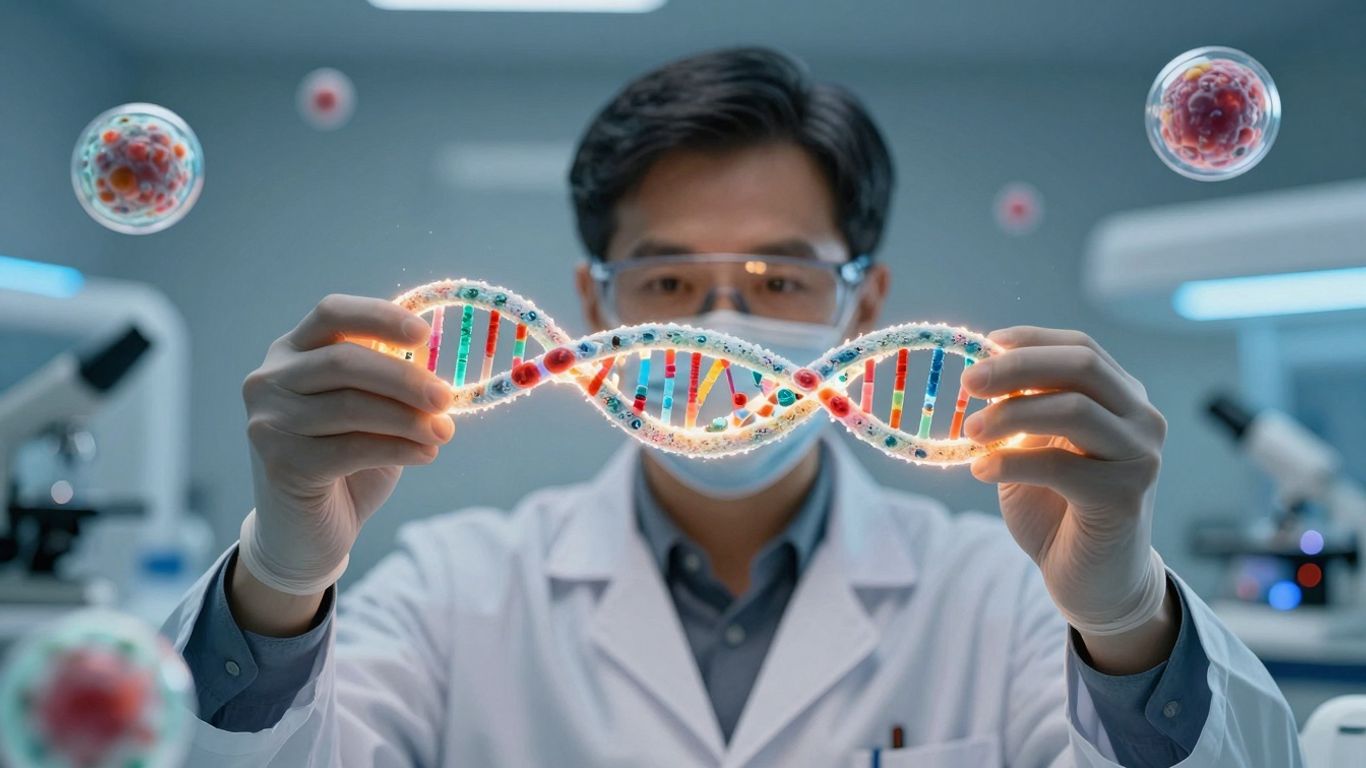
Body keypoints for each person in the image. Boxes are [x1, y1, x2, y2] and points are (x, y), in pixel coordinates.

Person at [163, 47, 1301, 766]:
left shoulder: (1003, 602)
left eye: (779, 280)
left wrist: (1123, 623)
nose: (719, 332)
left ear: (866, 310)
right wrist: (276, 584)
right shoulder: (452, 591)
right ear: (588, 304)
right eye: (664, 281)